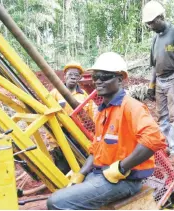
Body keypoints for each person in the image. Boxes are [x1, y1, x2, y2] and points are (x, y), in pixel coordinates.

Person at [47, 52, 167, 210]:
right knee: (66, 191)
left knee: (56, 202)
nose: (98, 81)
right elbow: (96, 148)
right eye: (95, 76)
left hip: (124, 181)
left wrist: (122, 167)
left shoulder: (131, 106)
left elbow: (154, 139)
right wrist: (81, 173)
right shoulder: (102, 111)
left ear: (120, 79)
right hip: (100, 174)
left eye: (104, 77)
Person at [142, 1, 174, 165]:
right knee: (162, 117)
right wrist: (152, 84)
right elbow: (154, 65)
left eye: (152, 22)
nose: (150, 26)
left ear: (160, 17)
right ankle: (165, 147)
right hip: (160, 80)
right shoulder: (155, 39)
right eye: (148, 23)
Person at [48, 62, 94, 174]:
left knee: (81, 163)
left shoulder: (84, 96)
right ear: (65, 76)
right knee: (63, 167)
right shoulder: (54, 93)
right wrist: (51, 138)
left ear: (80, 78)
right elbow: (47, 116)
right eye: (70, 74)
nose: (73, 77)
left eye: (77, 75)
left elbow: (90, 118)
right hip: (60, 133)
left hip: (78, 134)